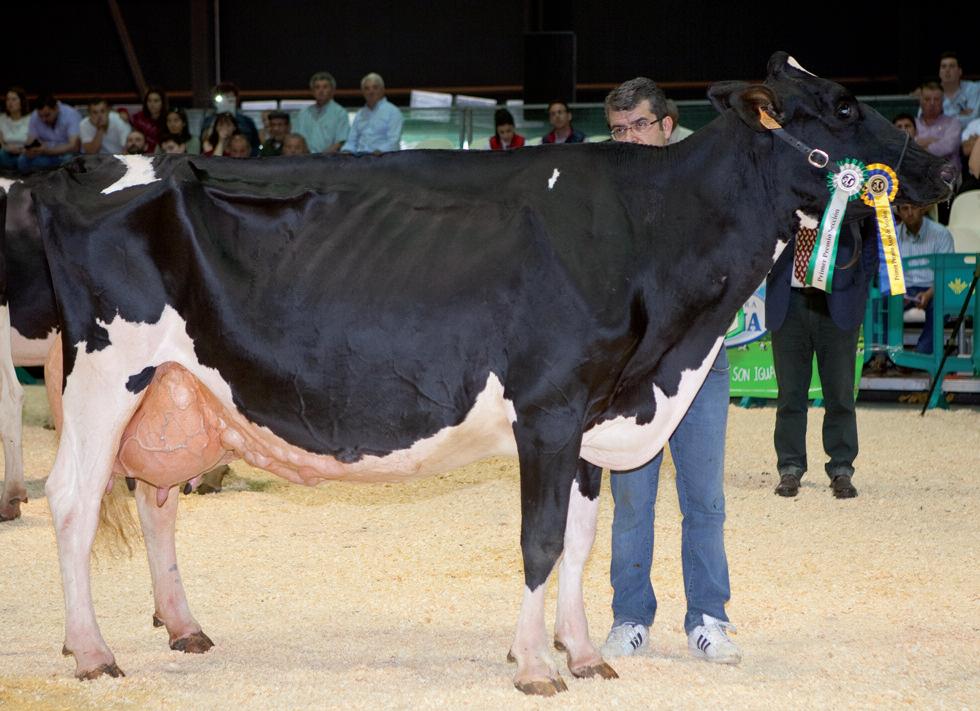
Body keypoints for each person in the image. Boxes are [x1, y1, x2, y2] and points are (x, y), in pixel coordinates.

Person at [598, 77, 740, 666]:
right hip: (632, 367)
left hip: (699, 360)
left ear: (666, 125)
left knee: (704, 498)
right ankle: (630, 616)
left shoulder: (708, 185)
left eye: (639, 125)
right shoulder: (605, 195)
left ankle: (708, 617)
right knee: (632, 499)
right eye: (618, 130)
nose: (629, 138)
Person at [768, 207, 878, 499]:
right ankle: (790, 467)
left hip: (838, 300)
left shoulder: (849, 186)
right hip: (788, 300)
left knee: (840, 392)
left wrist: (860, 285)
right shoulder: (784, 185)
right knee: (789, 393)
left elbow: (871, 235)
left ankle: (842, 467)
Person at [895, 204, 955, 355]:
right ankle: (884, 355)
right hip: (903, 289)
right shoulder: (892, 236)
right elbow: (886, 272)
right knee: (880, 303)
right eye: (905, 209)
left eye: (914, 208)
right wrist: (898, 291)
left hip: (934, 288)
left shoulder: (941, 234)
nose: (910, 213)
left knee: (941, 304)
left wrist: (929, 294)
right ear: (899, 212)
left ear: (922, 208)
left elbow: (947, 274)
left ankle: (921, 354)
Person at [17, 93, 81, 173]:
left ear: (56, 108)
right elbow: (31, 140)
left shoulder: (71, 114)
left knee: (69, 160)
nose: (43, 119)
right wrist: (30, 149)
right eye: (41, 116)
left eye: (47, 115)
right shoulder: (35, 115)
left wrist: (48, 151)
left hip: (64, 153)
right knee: (22, 160)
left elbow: (74, 146)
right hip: (44, 154)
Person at [343, 73, 402, 154]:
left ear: (382, 90)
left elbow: (393, 142)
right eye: (366, 88)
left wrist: (378, 153)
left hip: (383, 158)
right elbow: (351, 141)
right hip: (360, 158)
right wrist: (346, 152)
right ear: (363, 92)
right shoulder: (360, 114)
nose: (371, 91)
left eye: (375, 87)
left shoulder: (393, 112)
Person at [294, 71, 350, 154]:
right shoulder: (303, 113)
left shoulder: (340, 113)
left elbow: (341, 142)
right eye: (317, 87)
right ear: (312, 91)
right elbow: (295, 139)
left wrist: (321, 157)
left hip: (329, 159)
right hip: (304, 158)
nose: (321, 91)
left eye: (325, 87)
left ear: (332, 90)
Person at [198, 82, 261, 156]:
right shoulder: (208, 121)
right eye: (223, 98)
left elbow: (256, 146)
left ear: (236, 99)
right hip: (215, 157)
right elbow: (203, 145)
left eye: (230, 98)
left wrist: (248, 157)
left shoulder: (247, 122)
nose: (227, 101)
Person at [938, 51, 980, 128]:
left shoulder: (972, 89)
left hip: (969, 133)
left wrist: (943, 118)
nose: (947, 70)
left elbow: (973, 118)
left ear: (960, 71)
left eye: (951, 66)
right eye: (943, 67)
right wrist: (959, 113)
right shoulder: (932, 92)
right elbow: (925, 120)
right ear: (939, 73)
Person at [0, 86, 30, 170]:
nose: (10, 102)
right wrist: (7, 148)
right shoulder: (1, 119)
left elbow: (35, 142)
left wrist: (22, 150)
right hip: (7, 153)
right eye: (8, 99)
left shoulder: (30, 119)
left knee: (23, 160)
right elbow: (1, 142)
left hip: (26, 153)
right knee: (2, 154)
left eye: (14, 99)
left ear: (22, 102)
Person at [130, 86, 167, 153]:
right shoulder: (138, 118)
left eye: (156, 101)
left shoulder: (168, 119)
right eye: (149, 101)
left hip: (162, 154)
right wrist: (123, 111)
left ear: (163, 102)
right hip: (140, 154)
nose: (152, 104)